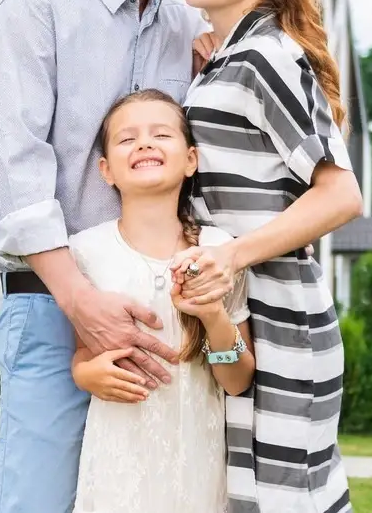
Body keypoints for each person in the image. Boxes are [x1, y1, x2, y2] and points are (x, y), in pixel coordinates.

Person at [0, 0, 218, 513]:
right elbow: (11, 170)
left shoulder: (187, 33)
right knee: (40, 504)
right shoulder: (32, 9)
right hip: (54, 303)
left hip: (159, 310)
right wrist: (83, 304)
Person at [168, 0, 365, 512]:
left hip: (284, 322)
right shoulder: (233, 57)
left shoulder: (264, 59)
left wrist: (231, 256)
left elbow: (340, 196)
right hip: (247, 320)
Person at [68, 89, 255, 513]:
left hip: (196, 473)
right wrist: (85, 375)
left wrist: (211, 314)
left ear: (191, 160)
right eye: (127, 138)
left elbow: (237, 381)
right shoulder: (84, 252)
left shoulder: (219, 251)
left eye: (161, 134)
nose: (145, 144)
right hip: (117, 472)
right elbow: (81, 355)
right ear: (106, 169)